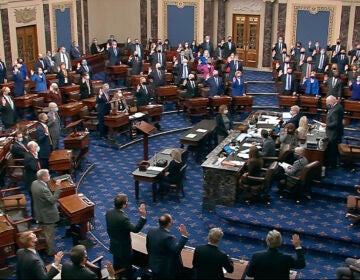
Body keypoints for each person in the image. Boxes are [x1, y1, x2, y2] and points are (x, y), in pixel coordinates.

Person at [106, 193, 147, 278]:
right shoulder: (123, 218)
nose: (127, 203)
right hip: (124, 250)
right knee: (128, 268)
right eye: (127, 202)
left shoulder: (108, 212)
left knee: (116, 264)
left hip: (114, 245)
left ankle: (116, 274)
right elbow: (135, 229)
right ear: (124, 205)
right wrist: (143, 216)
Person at [146, 213, 188, 279]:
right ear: (169, 224)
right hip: (164, 269)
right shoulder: (168, 237)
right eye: (171, 220)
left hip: (152, 263)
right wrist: (184, 236)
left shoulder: (151, 230)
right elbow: (176, 250)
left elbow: (148, 247)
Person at [31, 169, 62, 257]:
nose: (49, 176)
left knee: (42, 232)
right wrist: (58, 188)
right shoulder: (43, 188)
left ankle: (42, 247)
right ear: (44, 177)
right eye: (48, 175)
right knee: (49, 235)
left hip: (39, 213)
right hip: (47, 216)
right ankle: (50, 251)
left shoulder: (34, 183)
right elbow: (52, 200)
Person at [322, 95, 344, 168]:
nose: (326, 103)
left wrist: (326, 125)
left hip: (334, 133)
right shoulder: (336, 106)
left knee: (332, 149)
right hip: (334, 132)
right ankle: (332, 163)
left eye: (327, 102)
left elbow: (335, 123)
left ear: (331, 101)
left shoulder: (336, 109)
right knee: (333, 148)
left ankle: (332, 164)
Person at [24, 141, 41, 217]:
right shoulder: (29, 157)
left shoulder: (31, 154)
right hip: (32, 182)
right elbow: (34, 168)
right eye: (36, 147)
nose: (38, 148)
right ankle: (34, 217)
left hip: (35, 179)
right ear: (33, 148)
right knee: (34, 200)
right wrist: (36, 158)